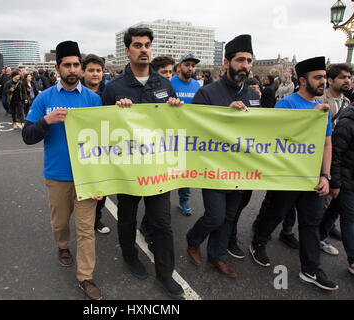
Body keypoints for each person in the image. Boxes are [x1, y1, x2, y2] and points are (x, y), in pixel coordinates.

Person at [102, 27, 185, 299]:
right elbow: (101, 129)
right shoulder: (114, 88)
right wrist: (117, 115)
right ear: (127, 50)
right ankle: (129, 255)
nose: (144, 49)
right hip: (127, 168)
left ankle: (165, 274)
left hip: (157, 169)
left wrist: (176, 109)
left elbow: (177, 124)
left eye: (147, 45)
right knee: (126, 217)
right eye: (137, 45)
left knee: (162, 223)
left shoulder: (163, 84)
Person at [22, 41, 103, 300]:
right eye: (66, 64)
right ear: (57, 68)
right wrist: (46, 120)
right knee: (60, 223)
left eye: (76, 65)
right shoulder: (44, 98)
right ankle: (62, 246)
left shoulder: (93, 99)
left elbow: (105, 140)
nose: (72, 69)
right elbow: (27, 136)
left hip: (87, 177)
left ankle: (86, 277)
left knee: (86, 229)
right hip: (56, 175)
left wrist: (101, 180)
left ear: (80, 68)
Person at [250, 56, 339, 291]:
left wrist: (325, 175)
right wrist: (311, 118)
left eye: (324, 77)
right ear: (302, 80)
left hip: (312, 178)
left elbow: (326, 144)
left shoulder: (324, 110)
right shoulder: (286, 105)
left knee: (311, 223)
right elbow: (278, 139)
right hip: (287, 176)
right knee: (275, 213)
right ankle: (258, 241)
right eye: (317, 77)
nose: (323, 82)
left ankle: (311, 268)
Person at [186, 34, 260, 278]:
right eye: (240, 60)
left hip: (241, 168)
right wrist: (224, 116)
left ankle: (216, 257)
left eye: (249, 60)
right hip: (214, 168)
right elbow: (192, 128)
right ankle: (193, 239)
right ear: (227, 63)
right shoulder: (207, 94)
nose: (246, 66)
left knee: (229, 217)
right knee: (215, 216)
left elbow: (263, 129)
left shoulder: (252, 95)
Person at [319, 102, 354, 276]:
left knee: (335, 209)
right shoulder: (348, 123)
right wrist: (334, 182)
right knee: (349, 216)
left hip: (351, 178)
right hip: (344, 179)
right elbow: (335, 153)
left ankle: (319, 234)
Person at [80, 54, 110, 234]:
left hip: (105, 147)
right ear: (83, 72)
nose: (95, 74)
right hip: (82, 147)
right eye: (91, 70)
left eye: (98, 70)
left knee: (102, 188)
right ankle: (84, 220)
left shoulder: (109, 92)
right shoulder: (76, 92)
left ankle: (96, 219)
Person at [171, 52, 201, 216]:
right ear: (179, 66)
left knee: (186, 172)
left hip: (189, 136)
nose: (190, 68)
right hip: (170, 135)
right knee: (166, 171)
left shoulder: (197, 85)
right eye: (187, 64)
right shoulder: (170, 83)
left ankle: (184, 201)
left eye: (193, 65)